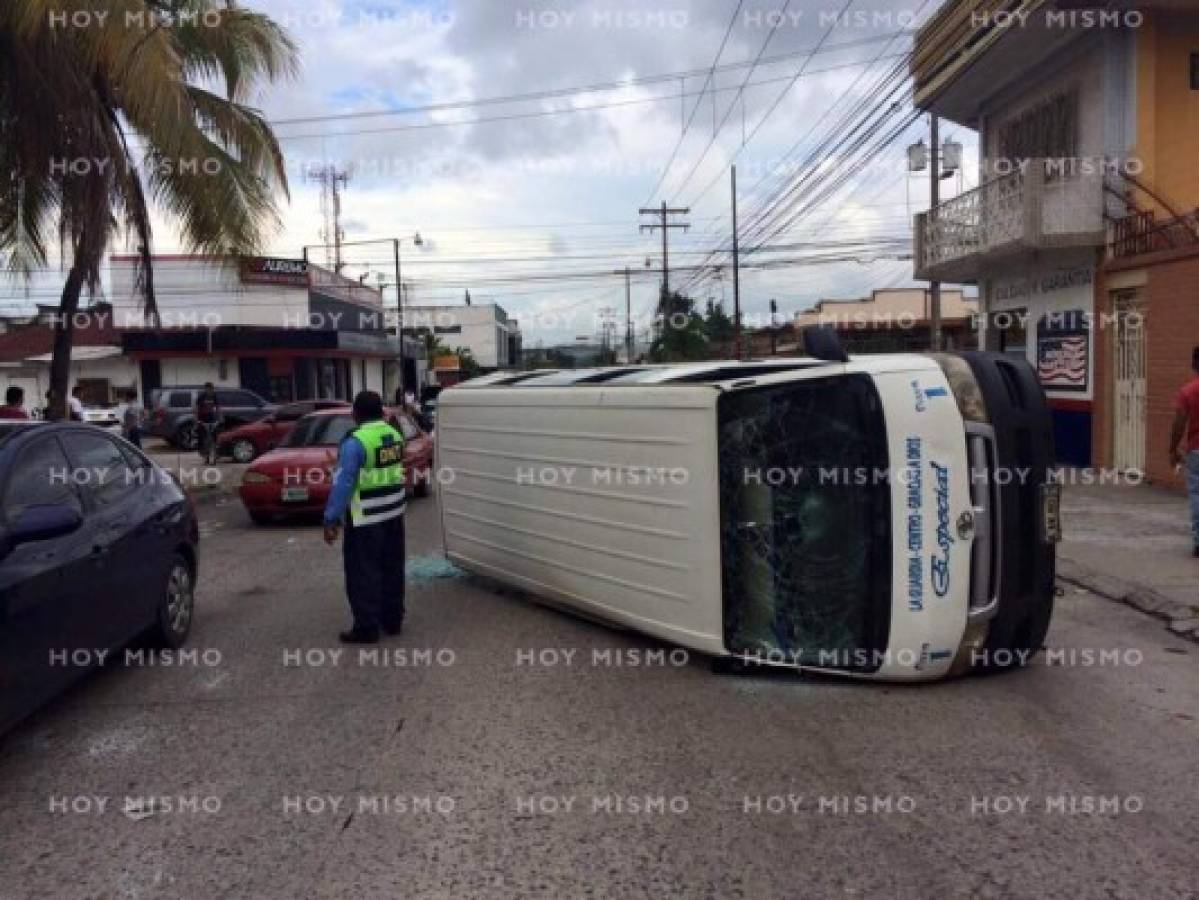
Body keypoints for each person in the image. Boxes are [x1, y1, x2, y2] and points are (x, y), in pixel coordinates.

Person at [323, 390, 407, 644]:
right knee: (392, 568)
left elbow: (344, 483)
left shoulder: (355, 442)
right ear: (381, 411)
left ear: (355, 414)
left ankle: (367, 627)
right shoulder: (395, 436)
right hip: (394, 514)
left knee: (363, 573)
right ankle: (393, 621)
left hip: (366, 519)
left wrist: (331, 519)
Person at [1168, 346, 1199, 558]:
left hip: (1196, 450)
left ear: (1195, 364)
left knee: (1197, 495)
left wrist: (1173, 449)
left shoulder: (1188, 391)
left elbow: (1179, 422)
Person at [194, 382, 221, 464]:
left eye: (211, 389)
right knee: (205, 440)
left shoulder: (214, 396)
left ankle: (214, 458)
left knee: (213, 440)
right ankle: (206, 458)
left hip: (212, 421)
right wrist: (197, 419)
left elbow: (218, 408)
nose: (209, 390)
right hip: (203, 421)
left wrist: (219, 418)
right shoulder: (201, 397)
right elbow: (196, 408)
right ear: (205, 389)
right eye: (208, 388)